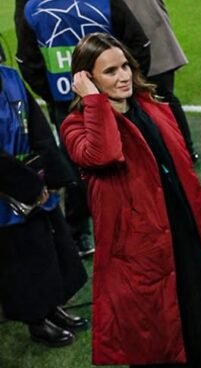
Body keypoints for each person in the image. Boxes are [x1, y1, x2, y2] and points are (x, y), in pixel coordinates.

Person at [61, 33, 201, 368]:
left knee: (196, 326)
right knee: (154, 342)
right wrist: (93, 102)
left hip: (183, 238)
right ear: (87, 78)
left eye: (124, 66)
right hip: (136, 256)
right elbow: (103, 154)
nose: (123, 76)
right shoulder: (76, 126)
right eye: (109, 71)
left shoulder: (153, 107)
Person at [15, 0, 152, 256]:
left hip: (66, 102)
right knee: (128, 156)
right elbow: (139, 44)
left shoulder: (32, 7)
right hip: (113, 100)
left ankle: (79, 234)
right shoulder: (106, 1)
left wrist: (57, 95)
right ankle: (138, 220)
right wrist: (126, 86)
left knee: (77, 166)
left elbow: (28, 60)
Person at [0, 53, 88, 347]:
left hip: (34, 179)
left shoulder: (10, 77)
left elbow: (39, 129)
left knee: (48, 246)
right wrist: (25, 185)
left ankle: (52, 306)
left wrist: (49, 174)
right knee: (20, 259)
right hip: (6, 191)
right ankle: (36, 320)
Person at [125, 0, 198, 160]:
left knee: (162, 97)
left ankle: (184, 149)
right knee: (161, 98)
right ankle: (184, 149)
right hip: (152, 41)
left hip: (151, 44)